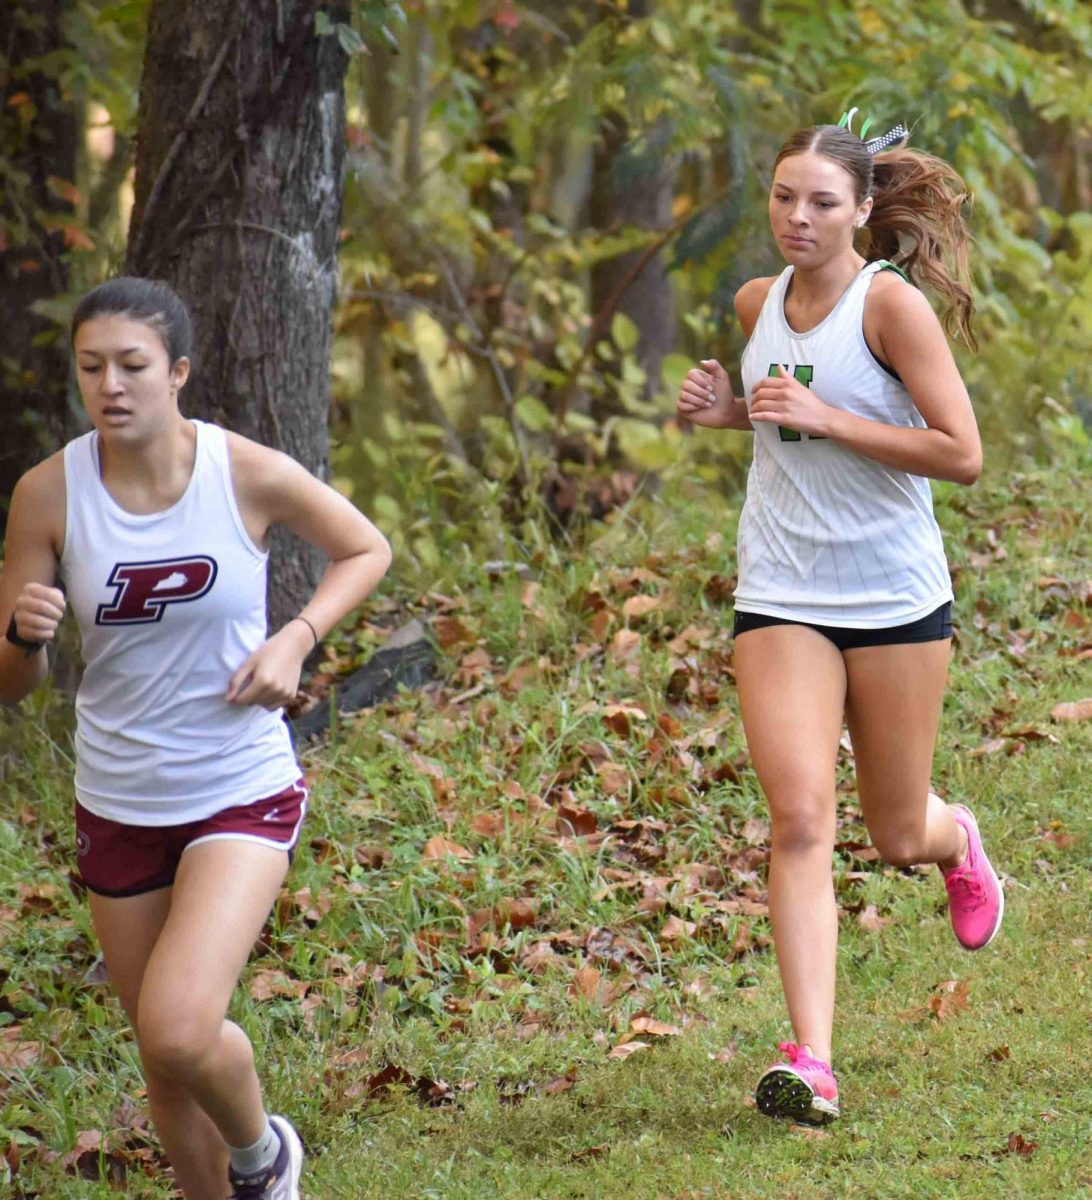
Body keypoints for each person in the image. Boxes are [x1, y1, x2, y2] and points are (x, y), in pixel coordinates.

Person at [0, 277, 392, 1197]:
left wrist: (295, 639)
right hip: (118, 797)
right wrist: (23, 636)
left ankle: (265, 1155)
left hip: (237, 781)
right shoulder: (47, 495)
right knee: (163, 1061)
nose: (111, 385)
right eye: (91, 367)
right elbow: (14, 687)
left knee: (178, 1026)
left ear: (177, 372)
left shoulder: (241, 471)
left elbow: (365, 547)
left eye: (133, 365)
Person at [676, 121, 1003, 1126]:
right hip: (781, 593)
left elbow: (960, 453)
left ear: (862, 209)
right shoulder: (753, 304)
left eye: (821, 201)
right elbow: (788, 415)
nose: (798, 218)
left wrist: (828, 422)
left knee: (895, 829)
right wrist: (728, 412)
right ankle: (812, 1059)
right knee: (802, 817)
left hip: (895, 597)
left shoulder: (890, 308)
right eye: (783, 198)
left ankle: (955, 844)